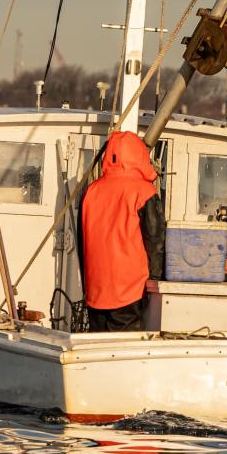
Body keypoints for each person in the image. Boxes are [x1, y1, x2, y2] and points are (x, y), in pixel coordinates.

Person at [77, 131, 165, 332]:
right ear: (140, 156)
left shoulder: (91, 191)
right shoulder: (144, 192)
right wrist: (155, 282)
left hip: (95, 289)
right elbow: (155, 242)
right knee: (123, 349)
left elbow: (82, 243)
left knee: (97, 349)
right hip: (130, 289)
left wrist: (87, 286)